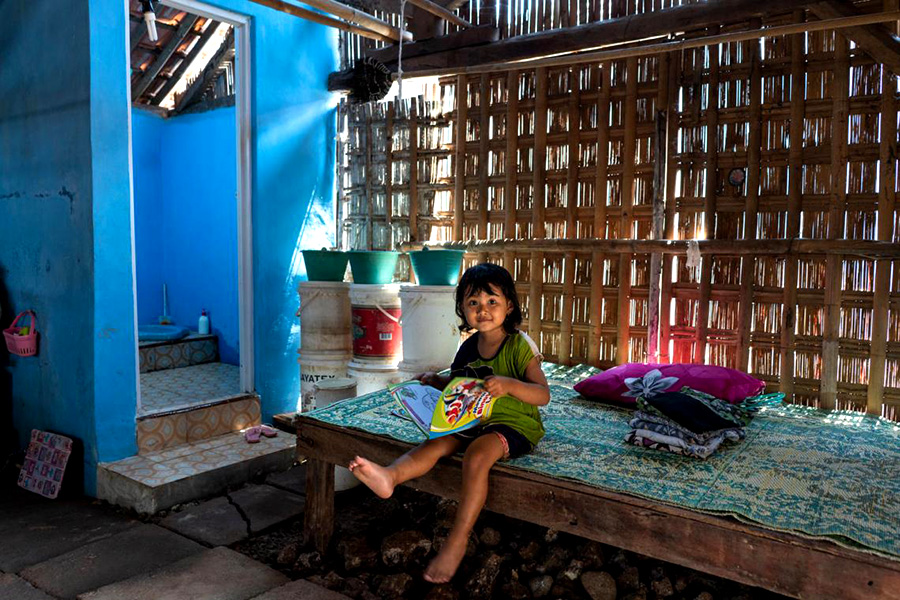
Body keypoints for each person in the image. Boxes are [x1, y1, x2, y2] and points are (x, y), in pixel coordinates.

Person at [348, 262, 550, 583]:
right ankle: (389, 475)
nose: (482, 310)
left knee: (477, 456)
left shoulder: (519, 345)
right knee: (436, 442)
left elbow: (543, 395)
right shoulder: (468, 348)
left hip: (512, 424)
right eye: (473, 303)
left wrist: (510, 385)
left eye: (492, 302)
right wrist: (436, 382)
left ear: (509, 305)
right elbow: (461, 385)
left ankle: (457, 539)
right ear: (463, 309)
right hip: (471, 418)